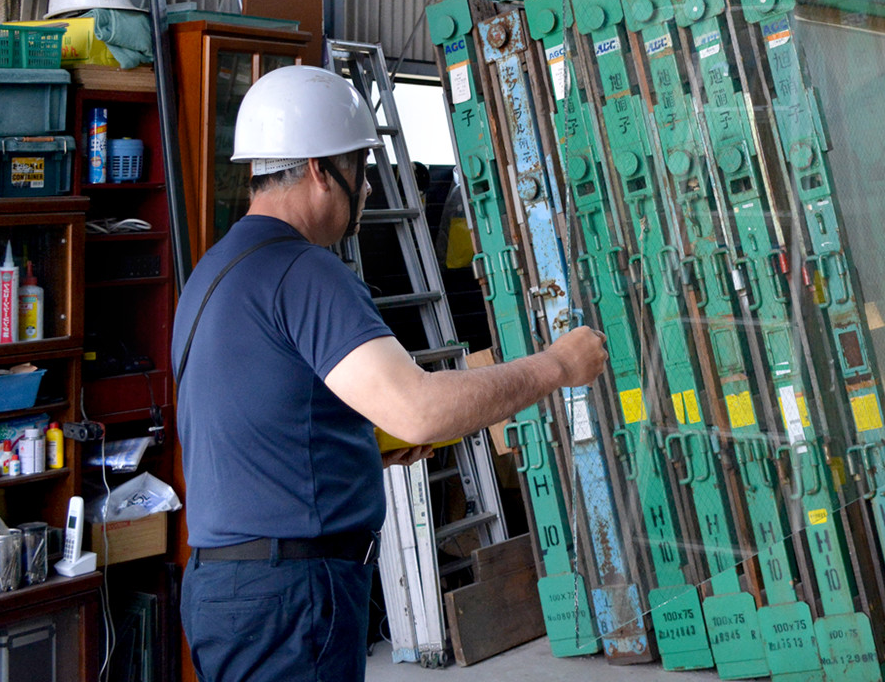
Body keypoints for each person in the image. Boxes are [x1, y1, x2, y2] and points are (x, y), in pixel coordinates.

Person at [174, 65, 605, 682]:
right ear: (323, 170)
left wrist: (364, 445)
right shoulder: (308, 273)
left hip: (225, 588)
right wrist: (558, 364)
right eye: (361, 168)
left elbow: (255, 420)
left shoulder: (214, 274)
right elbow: (420, 409)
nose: (370, 188)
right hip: (294, 594)